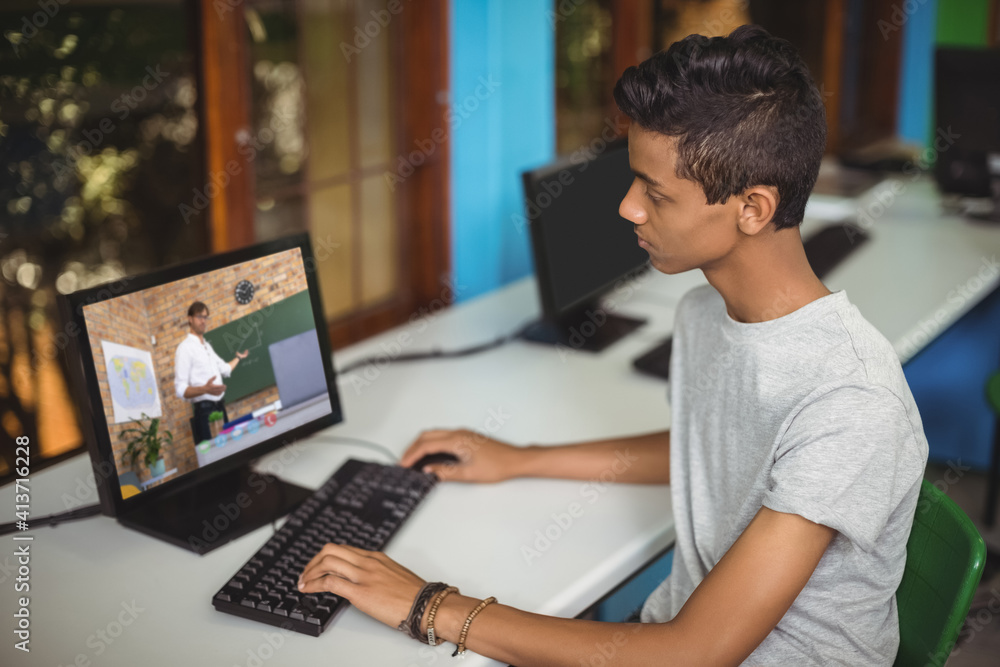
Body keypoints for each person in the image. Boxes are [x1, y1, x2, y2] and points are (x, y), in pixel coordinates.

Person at [298, 25, 928, 666]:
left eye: (655, 193)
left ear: (755, 208)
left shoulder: (850, 402)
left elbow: (692, 655)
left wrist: (430, 607)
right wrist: (520, 458)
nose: (628, 208)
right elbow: (715, 450)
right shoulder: (706, 313)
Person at [174, 301, 248, 444]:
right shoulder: (185, 348)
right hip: (204, 412)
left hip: (220, 408)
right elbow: (180, 389)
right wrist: (204, 389)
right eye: (199, 317)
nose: (203, 321)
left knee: (229, 450)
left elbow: (224, 369)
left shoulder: (207, 346)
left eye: (206, 317)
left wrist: (238, 358)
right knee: (215, 457)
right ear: (190, 319)